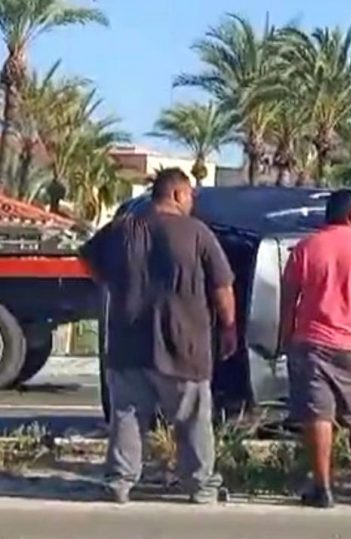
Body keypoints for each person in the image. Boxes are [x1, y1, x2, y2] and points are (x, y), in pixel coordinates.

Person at [80, 168, 237, 504]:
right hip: (185, 342)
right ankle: (200, 486)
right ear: (178, 194)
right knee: (192, 417)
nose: (193, 202)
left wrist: (112, 280)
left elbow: (88, 258)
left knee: (128, 414)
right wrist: (228, 328)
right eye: (191, 195)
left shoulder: (121, 230)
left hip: (128, 342)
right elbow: (223, 287)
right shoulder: (197, 233)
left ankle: (119, 482)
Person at [280, 189, 351, 508]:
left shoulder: (305, 248)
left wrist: (285, 338)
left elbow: (288, 299)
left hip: (312, 342)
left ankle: (322, 487)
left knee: (318, 416)